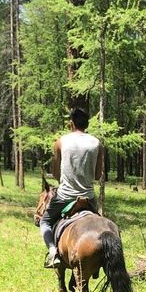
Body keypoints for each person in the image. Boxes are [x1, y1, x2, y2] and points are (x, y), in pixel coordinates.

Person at [40, 107, 104, 267]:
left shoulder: (61, 142)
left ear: (71, 124)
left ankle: (53, 252)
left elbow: (56, 174)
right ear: (86, 125)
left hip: (65, 196)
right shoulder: (97, 143)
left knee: (45, 221)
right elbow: (97, 176)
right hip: (88, 197)